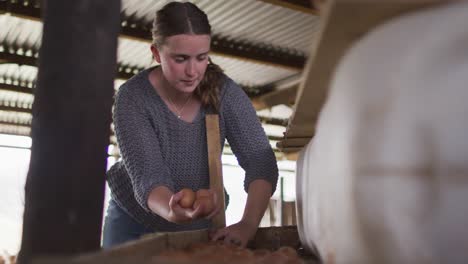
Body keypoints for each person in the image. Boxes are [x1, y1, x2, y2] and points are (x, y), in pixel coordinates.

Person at [102, 1, 278, 249]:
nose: (193, 71)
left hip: (202, 222)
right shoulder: (133, 97)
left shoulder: (224, 92)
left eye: (201, 58)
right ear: (155, 53)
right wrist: (172, 210)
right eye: (181, 58)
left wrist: (248, 224)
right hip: (134, 219)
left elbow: (261, 161)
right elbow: (149, 179)